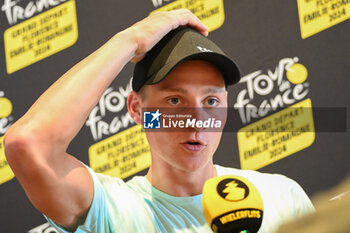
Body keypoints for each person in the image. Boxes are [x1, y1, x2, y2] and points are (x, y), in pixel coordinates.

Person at [4, 9, 314, 233]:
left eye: (211, 102)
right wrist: (129, 40)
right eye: (175, 101)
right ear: (137, 110)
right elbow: (28, 144)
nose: (196, 121)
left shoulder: (282, 197)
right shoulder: (112, 210)